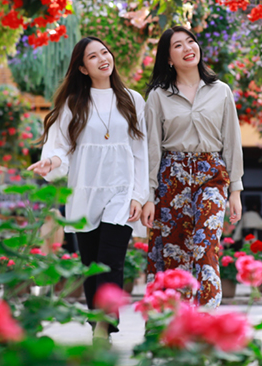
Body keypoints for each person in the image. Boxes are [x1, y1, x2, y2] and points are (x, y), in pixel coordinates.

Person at [28, 37, 147, 341]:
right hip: (84, 191)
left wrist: (138, 195)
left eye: (105, 52)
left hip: (121, 191)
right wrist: (50, 162)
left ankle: (104, 325)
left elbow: (141, 151)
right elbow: (60, 148)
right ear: (82, 68)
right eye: (93, 57)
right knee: (92, 263)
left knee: (111, 259)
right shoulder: (72, 105)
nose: (102, 59)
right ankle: (97, 324)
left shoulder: (133, 100)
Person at [141, 25, 244, 308]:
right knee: (174, 250)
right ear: (168, 58)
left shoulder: (220, 91)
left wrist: (235, 190)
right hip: (171, 176)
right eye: (178, 45)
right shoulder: (158, 97)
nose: (188, 48)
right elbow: (151, 150)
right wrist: (148, 197)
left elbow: (232, 142)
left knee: (205, 243)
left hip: (211, 173)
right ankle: (175, 317)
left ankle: (206, 315)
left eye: (191, 41)